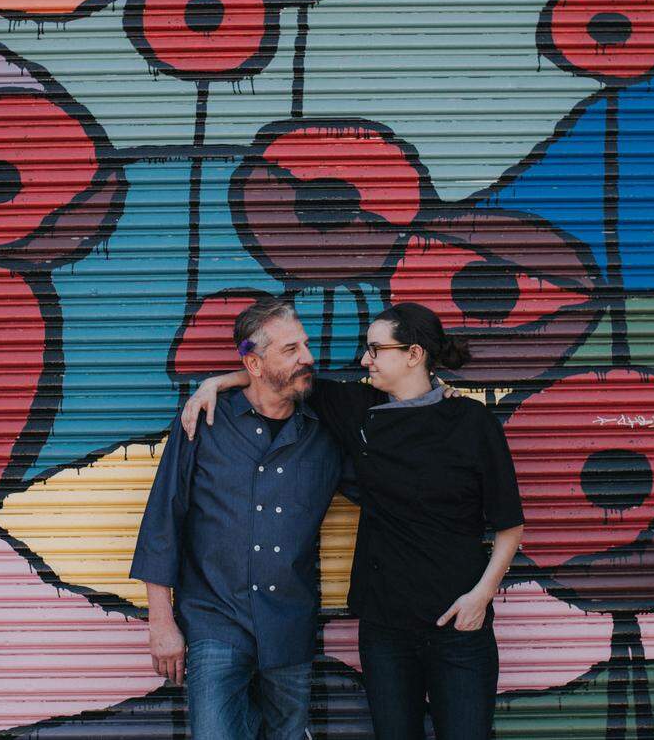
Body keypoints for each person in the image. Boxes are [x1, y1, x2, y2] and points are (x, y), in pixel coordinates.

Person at [183, 302, 524, 740]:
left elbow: (509, 525)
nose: (364, 359)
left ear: (414, 355)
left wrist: (481, 597)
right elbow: (280, 378)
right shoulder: (357, 408)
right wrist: (216, 382)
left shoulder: (472, 422)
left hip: (459, 624)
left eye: (376, 349)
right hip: (386, 629)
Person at [130, 297, 354, 740]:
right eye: (291, 350)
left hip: (289, 623)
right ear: (254, 363)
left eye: (304, 345)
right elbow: (164, 517)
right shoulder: (206, 421)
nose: (308, 357)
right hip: (215, 618)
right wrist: (161, 622)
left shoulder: (326, 430)